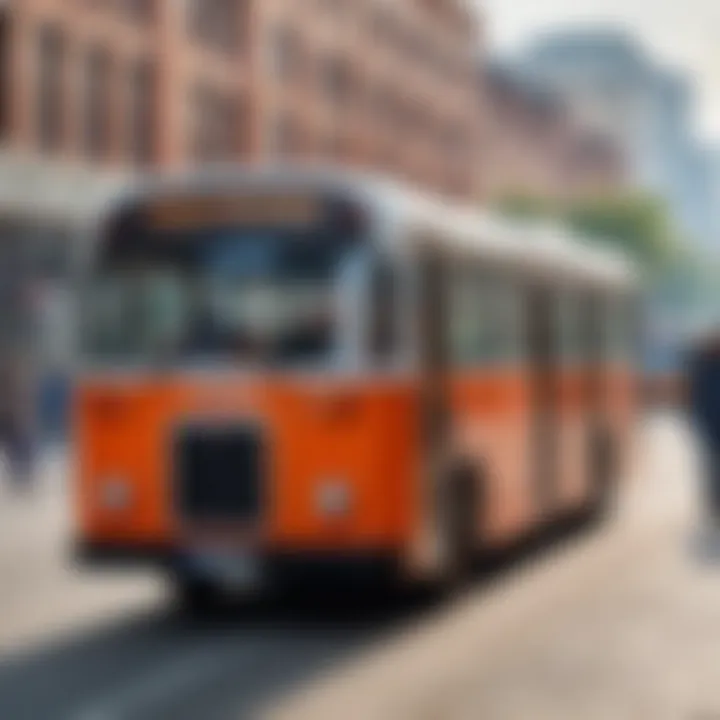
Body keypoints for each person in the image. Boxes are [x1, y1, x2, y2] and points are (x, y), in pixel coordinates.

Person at [688, 332, 720, 518]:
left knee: (713, 466)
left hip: (710, 425)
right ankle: (715, 503)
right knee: (713, 467)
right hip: (713, 427)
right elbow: (699, 402)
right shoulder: (704, 369)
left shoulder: (703, 368)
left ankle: (715, 502)